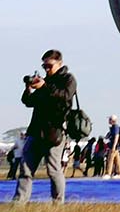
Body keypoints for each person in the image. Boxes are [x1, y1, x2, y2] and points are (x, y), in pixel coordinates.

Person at [14, 48, 77, 203]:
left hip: (54, 132)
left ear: (59, 63)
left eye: (49, 66)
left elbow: (65, 96)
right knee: (25, 169)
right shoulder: (45, 81)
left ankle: (58, 203)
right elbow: (29, 102)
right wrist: (28, 88)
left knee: (53, 170)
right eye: (44, 66)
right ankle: (19, 203)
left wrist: (44, 87)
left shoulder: (68, 79)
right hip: (36, 131)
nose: (47, 69)